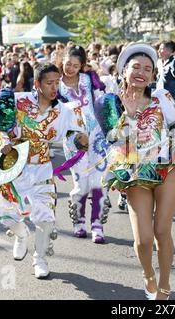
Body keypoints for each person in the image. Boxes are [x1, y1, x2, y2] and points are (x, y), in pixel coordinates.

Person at [100, 43, 175, 300]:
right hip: (134, 169)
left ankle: (165, 286)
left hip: (168, 165)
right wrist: (130, 114)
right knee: (144, 238)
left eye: (148, 69)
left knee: (161, 231)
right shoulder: (111, 101)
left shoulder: (162, 97)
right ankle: (148, 275)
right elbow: (114, 139)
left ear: (154, 75)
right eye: (136, 67)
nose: (141, 73)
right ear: (124, 71)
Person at [0, 62, 89, 278]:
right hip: (12, 167)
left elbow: (71, 137)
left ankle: (39, 258)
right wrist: (2, 142)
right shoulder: (15, 101)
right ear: (37, 84)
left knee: (45, 215)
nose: (54, 88)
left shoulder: (65, 111)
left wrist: (79, 140)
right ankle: (21, 234)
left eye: (57, 83)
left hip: (41, 168)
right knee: (6, 214)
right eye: (49, 83)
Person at [58, 45, 110, 243]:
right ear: (62, 60)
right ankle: (78, 221)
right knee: (82, 184)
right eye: (68, 64)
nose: (70, 68)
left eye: (75, 65)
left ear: (82, 66)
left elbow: (103, 100)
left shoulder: (89, 79)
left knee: (99, 182)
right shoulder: (56, 83)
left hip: (97, 136)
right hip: (74, 140)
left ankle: (97, 225)